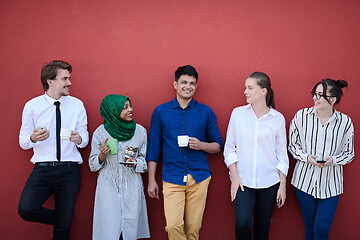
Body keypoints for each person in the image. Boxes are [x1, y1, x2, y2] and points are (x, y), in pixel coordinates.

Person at [146, 65, 223, 240]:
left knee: (193, 229)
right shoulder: (160, 112)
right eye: (184, 82)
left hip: (199, 178)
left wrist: (201, 145)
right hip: (172, 177)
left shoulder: (205, 111)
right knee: (173, 225)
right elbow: (153, 150)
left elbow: (218, 145)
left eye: (192, 83)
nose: (188, 87)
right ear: (175, 84)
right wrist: (151, 180)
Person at [18, 60, 89, 240]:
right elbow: (23, 140)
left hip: (69, 170)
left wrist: (79, 139)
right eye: (65, 78)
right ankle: (61, 219)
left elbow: (85, 137)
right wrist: (32, 138)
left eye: (69, 78)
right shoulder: (32, 106)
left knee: (62, 232)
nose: (69, 83)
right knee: (26, 209)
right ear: (50, 81)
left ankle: (63, 222)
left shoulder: (77, 105)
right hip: (43, 169)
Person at [223, 72, 289, 240]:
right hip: (242, 181)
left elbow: (282, 155)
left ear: (263, 91)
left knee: (262, 227)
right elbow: (229, 148)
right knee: (243, 223)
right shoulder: (238, 114)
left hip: (269, 182)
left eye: (250, 88)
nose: (245, 91)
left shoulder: (277, 119)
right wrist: (235, 178)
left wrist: (282, 186)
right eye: (245, 87)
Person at [289, 78, 354, 240]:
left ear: (332, 100)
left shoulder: (345, 122)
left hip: (331, 184)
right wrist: (306, 157)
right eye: (314, 94)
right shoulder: (301, 116)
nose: (314, 98)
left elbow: (349, 153)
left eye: (320, 95)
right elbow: (292, 146)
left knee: (322, 229)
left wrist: (333, 160)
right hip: (304, 182)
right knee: (310, 229)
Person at [89, 94, 150, 240]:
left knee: (130, 229)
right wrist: (102, 155)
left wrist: (136, 163)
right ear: (113, 111)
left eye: (130, 106)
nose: (131, 110)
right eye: (125, 108)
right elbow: (92, 165)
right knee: (109, 230)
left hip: (132, 185)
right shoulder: (100, 132)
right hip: (108, 187)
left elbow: (144, 162)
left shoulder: (140, 131)